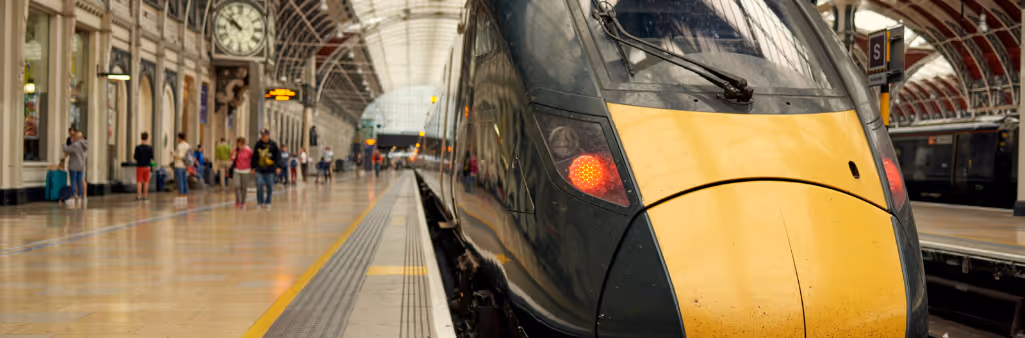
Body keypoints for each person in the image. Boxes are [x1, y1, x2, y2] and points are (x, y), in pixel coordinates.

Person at [251, 129, 281, 209]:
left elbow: (278, 157)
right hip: (259, 169)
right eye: (262, 135)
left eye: (265, 135)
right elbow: (254, 157)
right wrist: (253, 167)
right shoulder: (258, 145)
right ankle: (260, 202)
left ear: (268, 135)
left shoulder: (273, 145)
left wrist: (278, 166)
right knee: (259, 185)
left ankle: (268, 201)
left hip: (270, 170)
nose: (263, 137)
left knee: (269, 186)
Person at [63, 131, 88, 205]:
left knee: (73, 181)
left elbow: (66, 149)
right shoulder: (85, 144)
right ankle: (80, 196)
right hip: (81, 165)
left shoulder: (76, 145)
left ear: (76, 137)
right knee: (80, 181)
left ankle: (74, 196)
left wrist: (64, 143)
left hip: (74, 165)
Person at [231, 136, 253, 208]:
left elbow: (252, 159)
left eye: (242, 144)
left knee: (244, 187)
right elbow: (231, 159)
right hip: (237, 170)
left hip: (245, 171)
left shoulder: (248, 150)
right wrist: (233, 156)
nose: (240, 146)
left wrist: (253, 168)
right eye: (239, 144)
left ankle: (243, 202)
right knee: (236, 186)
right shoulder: (235, 150)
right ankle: (237, 200)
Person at [171, 132, 191, 204]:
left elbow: (180, 156)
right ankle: (185, 194)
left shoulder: (180, 146)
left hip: (179, 165)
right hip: (185, 165)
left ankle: (181, 195)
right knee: (185, 180)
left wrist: (173, 153)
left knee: (180, 181)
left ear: (179, 138)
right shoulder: (187, 145)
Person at [134, 132, 154, 201]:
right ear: (147, 138)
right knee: (146, 181)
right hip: (147, 167)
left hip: (140, 166)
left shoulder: (138, 148)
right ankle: (145, 196)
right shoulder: (150, 148)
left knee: (139, 181)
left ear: (141, 137)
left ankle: (139, 195)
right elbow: (152, 158)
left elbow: (135, 157)